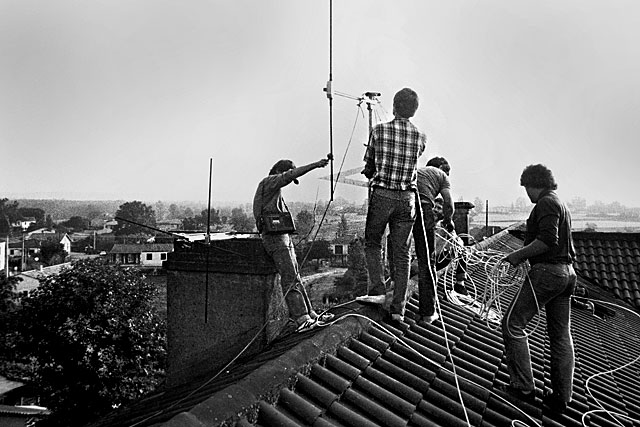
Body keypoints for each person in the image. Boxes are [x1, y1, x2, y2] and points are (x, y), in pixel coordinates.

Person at [501, 164, 576, 414]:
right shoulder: (559, 203)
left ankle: (523, 387)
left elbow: (547, 240)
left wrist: (517, 255)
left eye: (527, 188)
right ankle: (562, 397)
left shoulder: (545, 203)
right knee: (560, 335)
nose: (527, 194)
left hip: (548, 272)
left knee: (512, 323)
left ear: (535, 184)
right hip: (567, 274)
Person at [358, 87, 426, 322]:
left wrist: (374, 171)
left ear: (394, 106)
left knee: (373, 242)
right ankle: (399, 308)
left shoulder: (379, 131)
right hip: (407, 199)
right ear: (414, 111)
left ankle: (377, 291)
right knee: (402, 253)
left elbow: (369, 167)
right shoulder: (420, 137)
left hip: (383, 195)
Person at [252, 157, 332, 333]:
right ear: (280, 172)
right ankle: (301, 318)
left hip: (282, 236)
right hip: (275, 238)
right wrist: (315, 164)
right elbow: (289, 175)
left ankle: (310, 314)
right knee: (289, 278)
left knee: (295, 277)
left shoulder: (273, 189)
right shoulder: (269, 182)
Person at [412, 156, 456, 324]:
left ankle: (396, 308)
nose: (449, 176)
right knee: (427, 263)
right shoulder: (441, 176)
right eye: (448, 172)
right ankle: (428, 313)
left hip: (403, 205)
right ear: (441, 169)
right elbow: (449, 205)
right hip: (422, 209)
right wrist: (448, 219)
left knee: (401, 256)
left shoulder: (417, 172)